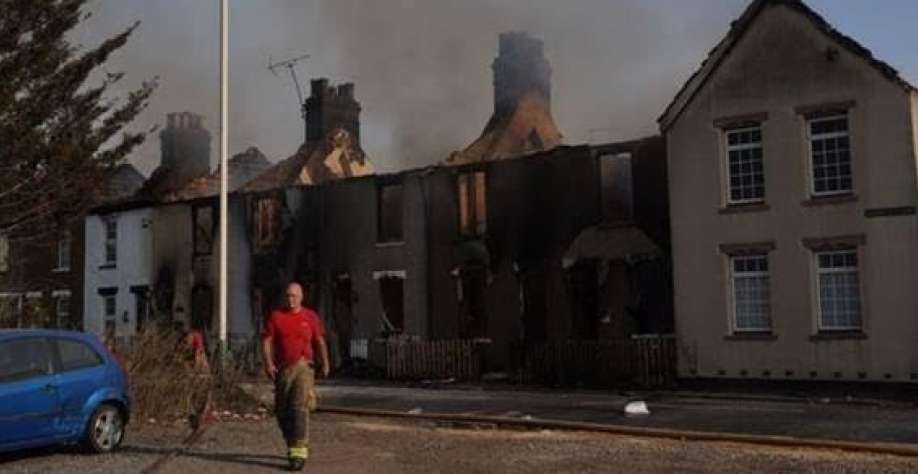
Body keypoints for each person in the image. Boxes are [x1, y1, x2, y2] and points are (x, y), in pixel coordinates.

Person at [262, 282, 330, 472]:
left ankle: (298, 455)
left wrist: (325, 362)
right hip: (283, 370)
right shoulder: (276, 316)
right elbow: (267, 341)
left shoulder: (310, 317)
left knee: (298, 407)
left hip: (304, 367)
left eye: (294, 296)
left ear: (301, 296)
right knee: (282, 412)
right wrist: (268, 363)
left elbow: (319, 340)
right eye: (288, 296)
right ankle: (295, 445)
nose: (290, 299)